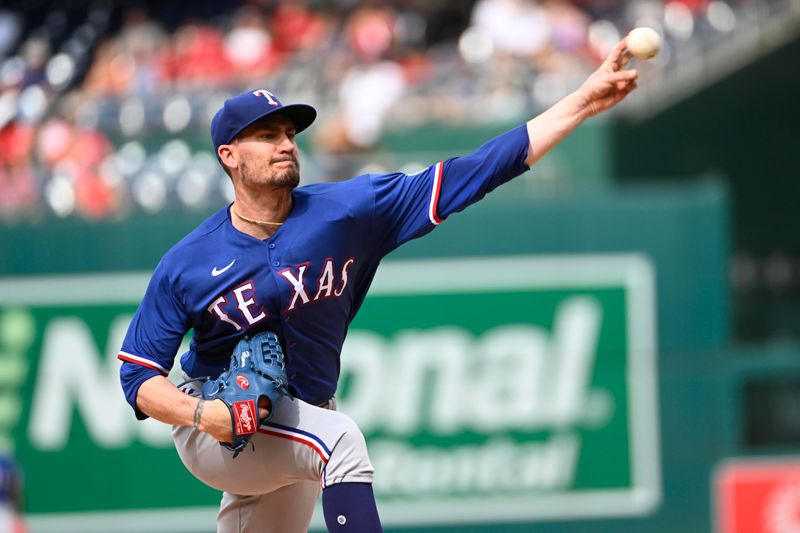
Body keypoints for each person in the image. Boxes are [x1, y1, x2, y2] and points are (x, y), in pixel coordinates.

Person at [118, 37, 639, 533]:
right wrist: (203, 414)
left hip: (301, 413)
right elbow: (138, 377)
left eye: (290, 135)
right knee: (339, 443)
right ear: (229, 155)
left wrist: (583, 101)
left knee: (322, 434)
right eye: (267, 135)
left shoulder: (348, 211)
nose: (285, 145)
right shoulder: (188, 261)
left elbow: (475, 170)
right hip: (214, 423)